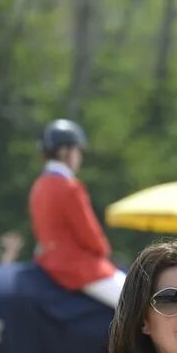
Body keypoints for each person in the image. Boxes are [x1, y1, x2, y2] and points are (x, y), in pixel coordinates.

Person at [30, 118, 124, 306]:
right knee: (139, 303)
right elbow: (90, 234)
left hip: (45, 262)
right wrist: (104, 250)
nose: (80, 156)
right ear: (64, 151)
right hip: (76, 267)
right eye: (78, 150)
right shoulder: (69, 186)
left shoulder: (38, 186)